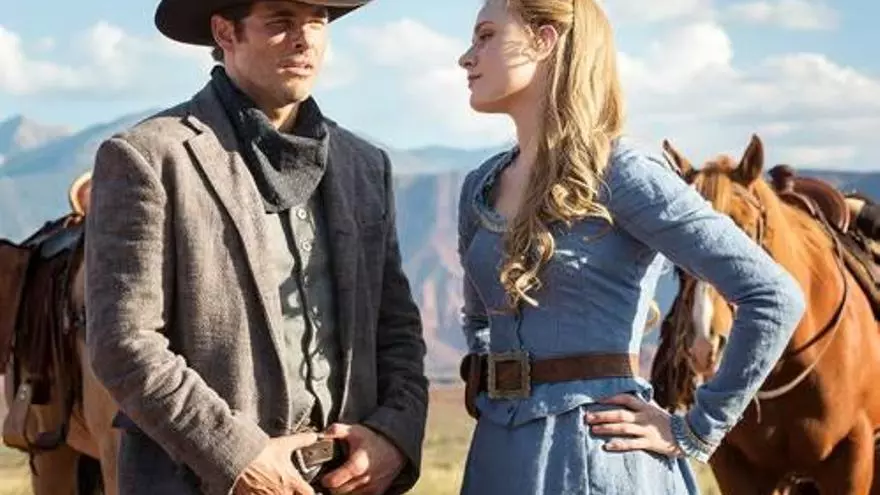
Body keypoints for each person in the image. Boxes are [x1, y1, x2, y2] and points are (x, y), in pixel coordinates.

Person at [454, 0, 806, 493]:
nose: (466, 57)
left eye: (487, 35)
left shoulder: (623, 173)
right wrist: (497, 390)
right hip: (499, 453)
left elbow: (772, 295)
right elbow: (479, 320)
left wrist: (697, 429)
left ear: (544, 41)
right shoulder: (480, 186)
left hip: (597, 455)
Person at [84, 1, 428, 494]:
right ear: (226, 33)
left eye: (317, 22)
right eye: (281, 22)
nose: (304, 40)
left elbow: (396, 328)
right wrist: (236, 457)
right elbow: (124, 343)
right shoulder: (149, 157)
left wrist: (393, 436)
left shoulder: (365, 166)